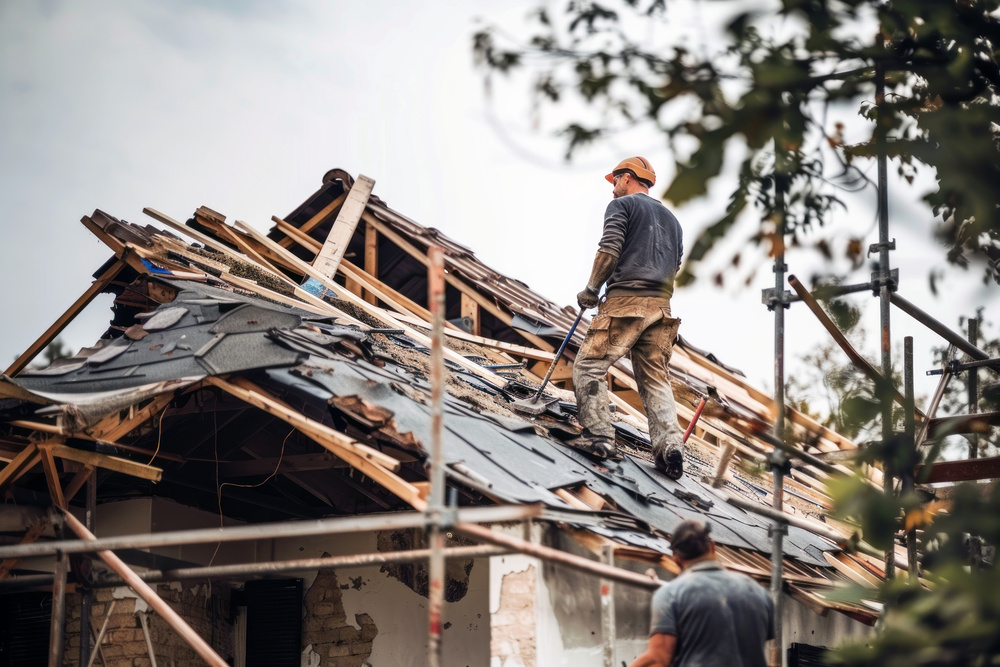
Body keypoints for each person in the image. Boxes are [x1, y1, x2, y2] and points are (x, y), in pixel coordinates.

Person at [573, 156, 686, 479]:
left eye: (615, 181)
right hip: (662, 308)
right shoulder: (673, 221)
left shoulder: (621, 207)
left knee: (589, 365)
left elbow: (609, 249)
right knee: (654, 379)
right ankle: (670, 448)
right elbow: (674, 266)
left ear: (627, 178)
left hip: (626, 301)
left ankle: (599, 437)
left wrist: (592, 288)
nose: (612, 189)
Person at [631, 520, 775, 667]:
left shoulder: (671, 594)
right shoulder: (757, 590)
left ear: (676, 558)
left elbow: (659, 659)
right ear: (712, 547)